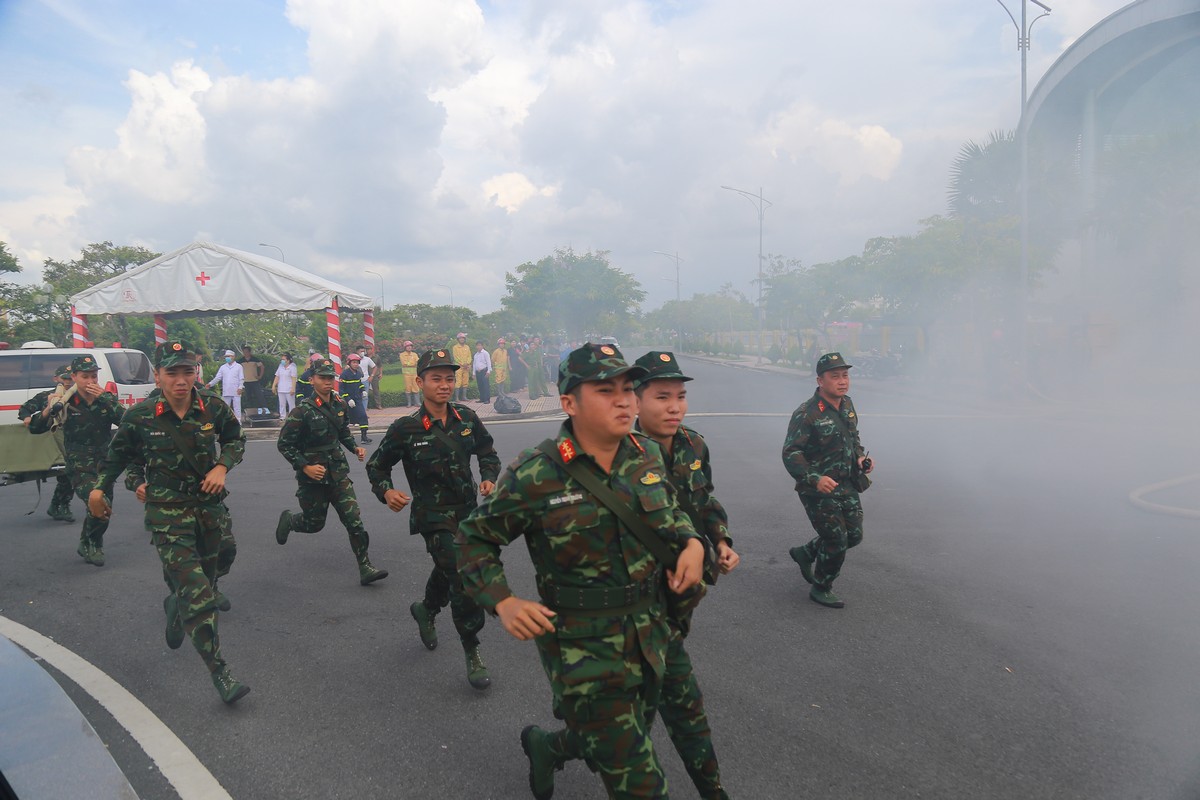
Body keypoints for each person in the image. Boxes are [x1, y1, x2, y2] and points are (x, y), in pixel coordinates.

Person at [457, 343, 708, 800]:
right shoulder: (537, 473)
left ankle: (549, 747)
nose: (624, 401)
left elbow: (672, 515)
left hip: (653, 633)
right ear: (569, 403)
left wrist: (692, 543)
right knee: (641, 782)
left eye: (628, 390)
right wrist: (503, 601)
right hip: (584, 652)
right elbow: (474, 538)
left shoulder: (647, 455)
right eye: (606, 391)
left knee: (618, 736)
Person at [88, 341, 250, 704]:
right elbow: (118, 458)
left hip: (208, 508)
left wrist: (222, 467)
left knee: (211, 574)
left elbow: (235, 440)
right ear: (158, 375)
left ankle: (176, 604)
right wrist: (100, 490)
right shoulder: (140, 416)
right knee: (198, 593)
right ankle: (220, 672)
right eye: (172, 373)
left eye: (187, 372)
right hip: (166, 512)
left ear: (196, 373)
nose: (180, 380)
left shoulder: (212, 407)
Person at [632, 350, 738, 799]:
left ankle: (559, 746)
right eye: (662, 397)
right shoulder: (618, 454)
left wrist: (721, 540)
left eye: (680, 396)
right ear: (635, 400)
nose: (675, 407)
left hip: (682, 592)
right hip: (637, 605)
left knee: (656, 705)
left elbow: (704, 500)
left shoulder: (694, 445)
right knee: (665, 707)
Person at [366, 348, 499, 691]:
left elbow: (487, 452)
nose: (444, 385)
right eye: (436, 378)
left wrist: (488, 477)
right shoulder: (405, 428)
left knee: (448, 567)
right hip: (432, 515)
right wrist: (386, 491)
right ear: (419, 382)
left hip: (468, 511)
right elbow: (377, 466)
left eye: (449, 379)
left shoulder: (467, 418)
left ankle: (426, 609)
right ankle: (472, 648)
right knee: (463, 575)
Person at [275, 358, 387, 586]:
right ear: (312, 380)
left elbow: (343, 431)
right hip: (312, 478)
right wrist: (305, 466)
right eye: (323, 378)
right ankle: (290, 521)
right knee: (314, 524)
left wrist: (354, 447)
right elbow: (284, 444)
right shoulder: (301, 411)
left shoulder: (339, 405)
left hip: (338, 473)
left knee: (354, 521)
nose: (328, 382)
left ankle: (365, 566)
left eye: (330, 378)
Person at [782, 352, 875, 608]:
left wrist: (860, 458)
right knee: (836, 539)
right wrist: (815, 479)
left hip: (846, 483)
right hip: (818, 489)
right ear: (820, 381)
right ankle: (821, 586)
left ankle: (807, 552)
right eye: (835, 376)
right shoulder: (806, 413)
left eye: (845, 375)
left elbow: (853, 438)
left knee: (854, 535)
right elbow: (791, 453)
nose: (842, 381)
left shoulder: (847, 404)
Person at [29, 355, 123, 565]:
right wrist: (49, 407)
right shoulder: (65, 401)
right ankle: (92, 544)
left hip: (104, 462)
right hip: (79, 462)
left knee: (103, 509)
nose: (90, 381)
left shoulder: (104, 399)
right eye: (85, 376)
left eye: (94, 376)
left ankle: (90, 542)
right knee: (98, 502)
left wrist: (105, 398)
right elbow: (35, 428)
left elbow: (126, 421)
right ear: (74, 377)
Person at [18, 364, 77, 522]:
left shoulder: (78, 396)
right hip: (54, 439)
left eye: (71, 378)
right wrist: (27, 417)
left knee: (70, 473)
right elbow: (25, 408)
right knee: (67, 472)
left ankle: (57, 505)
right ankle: (62, 505)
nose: (68, 381)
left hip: (75, 440)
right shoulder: (46, 396)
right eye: (64, 378)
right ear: (56, 379)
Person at [340, 352, 371, 444]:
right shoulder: (344, 375)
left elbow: (360, 384)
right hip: (347, 401)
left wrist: (363, 390)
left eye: (357, 362)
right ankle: (345, 439)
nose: (356, 364)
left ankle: (364, 437)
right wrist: (348, 399)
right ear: (349, 363)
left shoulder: (358, 374)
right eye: (354, 362)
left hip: (357, 399)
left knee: (363, 416)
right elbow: (341, 390)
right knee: (346, 421)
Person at [206, 350, 244, 420]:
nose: (227, 358)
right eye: (226, 357)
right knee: (225, 408)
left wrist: (240, 387)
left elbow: (241, 378)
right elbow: (218, 378)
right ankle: (226, 422)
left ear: (233, 357)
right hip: (226, 390)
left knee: (237, 408)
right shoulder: (223, 367)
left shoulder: (239, 366)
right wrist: (210, 384)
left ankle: (238, 422)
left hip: (236, 390)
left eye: (228, 356)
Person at [237, 345, 267, 417]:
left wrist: (260, 376)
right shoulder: (240, 361)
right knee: (248, 397)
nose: (245, 353)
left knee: (259, 396)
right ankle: (249, 412)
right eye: (244, 352)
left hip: (254, 381)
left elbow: (262, 367)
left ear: (250, 352)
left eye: (247, 352)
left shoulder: (255, 359)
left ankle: (264, 411)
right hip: (245, 382)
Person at [355, 345, 378, 410]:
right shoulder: (353, 359)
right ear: (357, 351)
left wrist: (372, 376)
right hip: (356, 381)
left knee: (365, 397)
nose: (362, 353)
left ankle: (364, 411)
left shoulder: (367, 359)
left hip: (365, 380)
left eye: (363, 351)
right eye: (361, 351)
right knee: (357, 396)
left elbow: (375, 367)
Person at [451, 332, 472, 401]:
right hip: (459, 367)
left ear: (465, 339)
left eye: (463, 338)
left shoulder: (467, 347)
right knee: (458, 382)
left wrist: (467, 363)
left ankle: (464, 397)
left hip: (466, 367)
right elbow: (456, 357)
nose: (462, 339)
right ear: (458, 339)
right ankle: (456, 398)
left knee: (465, 381)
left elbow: (469, 356)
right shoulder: (455, 347)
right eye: (460, 338)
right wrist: (463, 364)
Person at [398, 340, 419, 406]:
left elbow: (417, 362)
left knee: (416, 387)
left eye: (410, 346)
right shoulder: (402, 355)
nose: (409, 347)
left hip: (414, 374)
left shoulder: (414, 354)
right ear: (405, 347)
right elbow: (404, 363)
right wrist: (412, 363)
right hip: (406, 374)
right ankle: (409, 403)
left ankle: (417, 402)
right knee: (408, 388)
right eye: (408, 346)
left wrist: (409, 363)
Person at [472, 340, 492, 404]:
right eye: (477, 345)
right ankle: (482, 398)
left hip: (484, 371)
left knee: (485, 385)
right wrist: (473, 373)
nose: (478, 347)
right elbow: (474, 364)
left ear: (482, 346)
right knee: (480, 385)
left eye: (480, 345)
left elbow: (489, 362)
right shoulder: (476, 355)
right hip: (478, 372)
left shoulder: (485, 353)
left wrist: (488, 371)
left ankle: (487, 399)